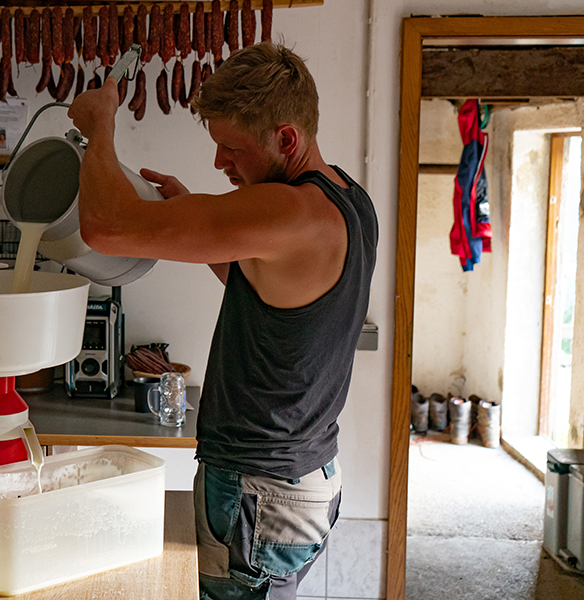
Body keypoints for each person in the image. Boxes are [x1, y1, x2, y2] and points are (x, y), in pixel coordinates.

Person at [68, 41, 378, 600]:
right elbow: (264, 290)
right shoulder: (349, 200)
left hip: (258, 492)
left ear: (287, 138)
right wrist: (197, 217)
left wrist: (100, 126)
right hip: (301, 477)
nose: (219, 163)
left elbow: (104, 226)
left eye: (231, 148)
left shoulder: (289, 212)